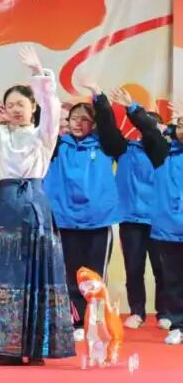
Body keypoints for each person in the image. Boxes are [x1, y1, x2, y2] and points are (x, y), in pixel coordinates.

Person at [0, 48, 75, 364]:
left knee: (37, 275)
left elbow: (53, 107)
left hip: (34, 208)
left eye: (22, 104)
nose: (16, 109)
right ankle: (4, 347)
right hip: (3, 208)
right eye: (10, 105)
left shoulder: (43, 135)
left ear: (33, 107)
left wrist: (38, 72)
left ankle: (36, 347)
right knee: (2, 275)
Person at [44, 78, 127, 336]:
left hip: (98, 222)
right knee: (70, 276)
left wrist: (98, 96)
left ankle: (95, 321)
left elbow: (109, 126)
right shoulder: (56, 146)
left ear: (94, 124)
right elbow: (43, 122)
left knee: (94, 277)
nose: (78, 123)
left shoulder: (106, 146)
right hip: (66, 221)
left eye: (84, 119)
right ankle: (76, 322)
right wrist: (41, 85)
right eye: (73, 119)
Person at [120, 96, 183, 345]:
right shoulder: (162, 153)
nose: (182, 130)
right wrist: (132, 107)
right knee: (173, 279)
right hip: (169, 228)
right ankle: (177, 325)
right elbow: (148, 128)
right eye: (180, 126)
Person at [113, 102, 167, 329]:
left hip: (160, 220)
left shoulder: (167, 153)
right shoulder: (125, 150)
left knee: (162, 270)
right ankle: (137, 312)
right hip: (131, 219)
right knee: (134, 268)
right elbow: (107, 132)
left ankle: (165, 313)